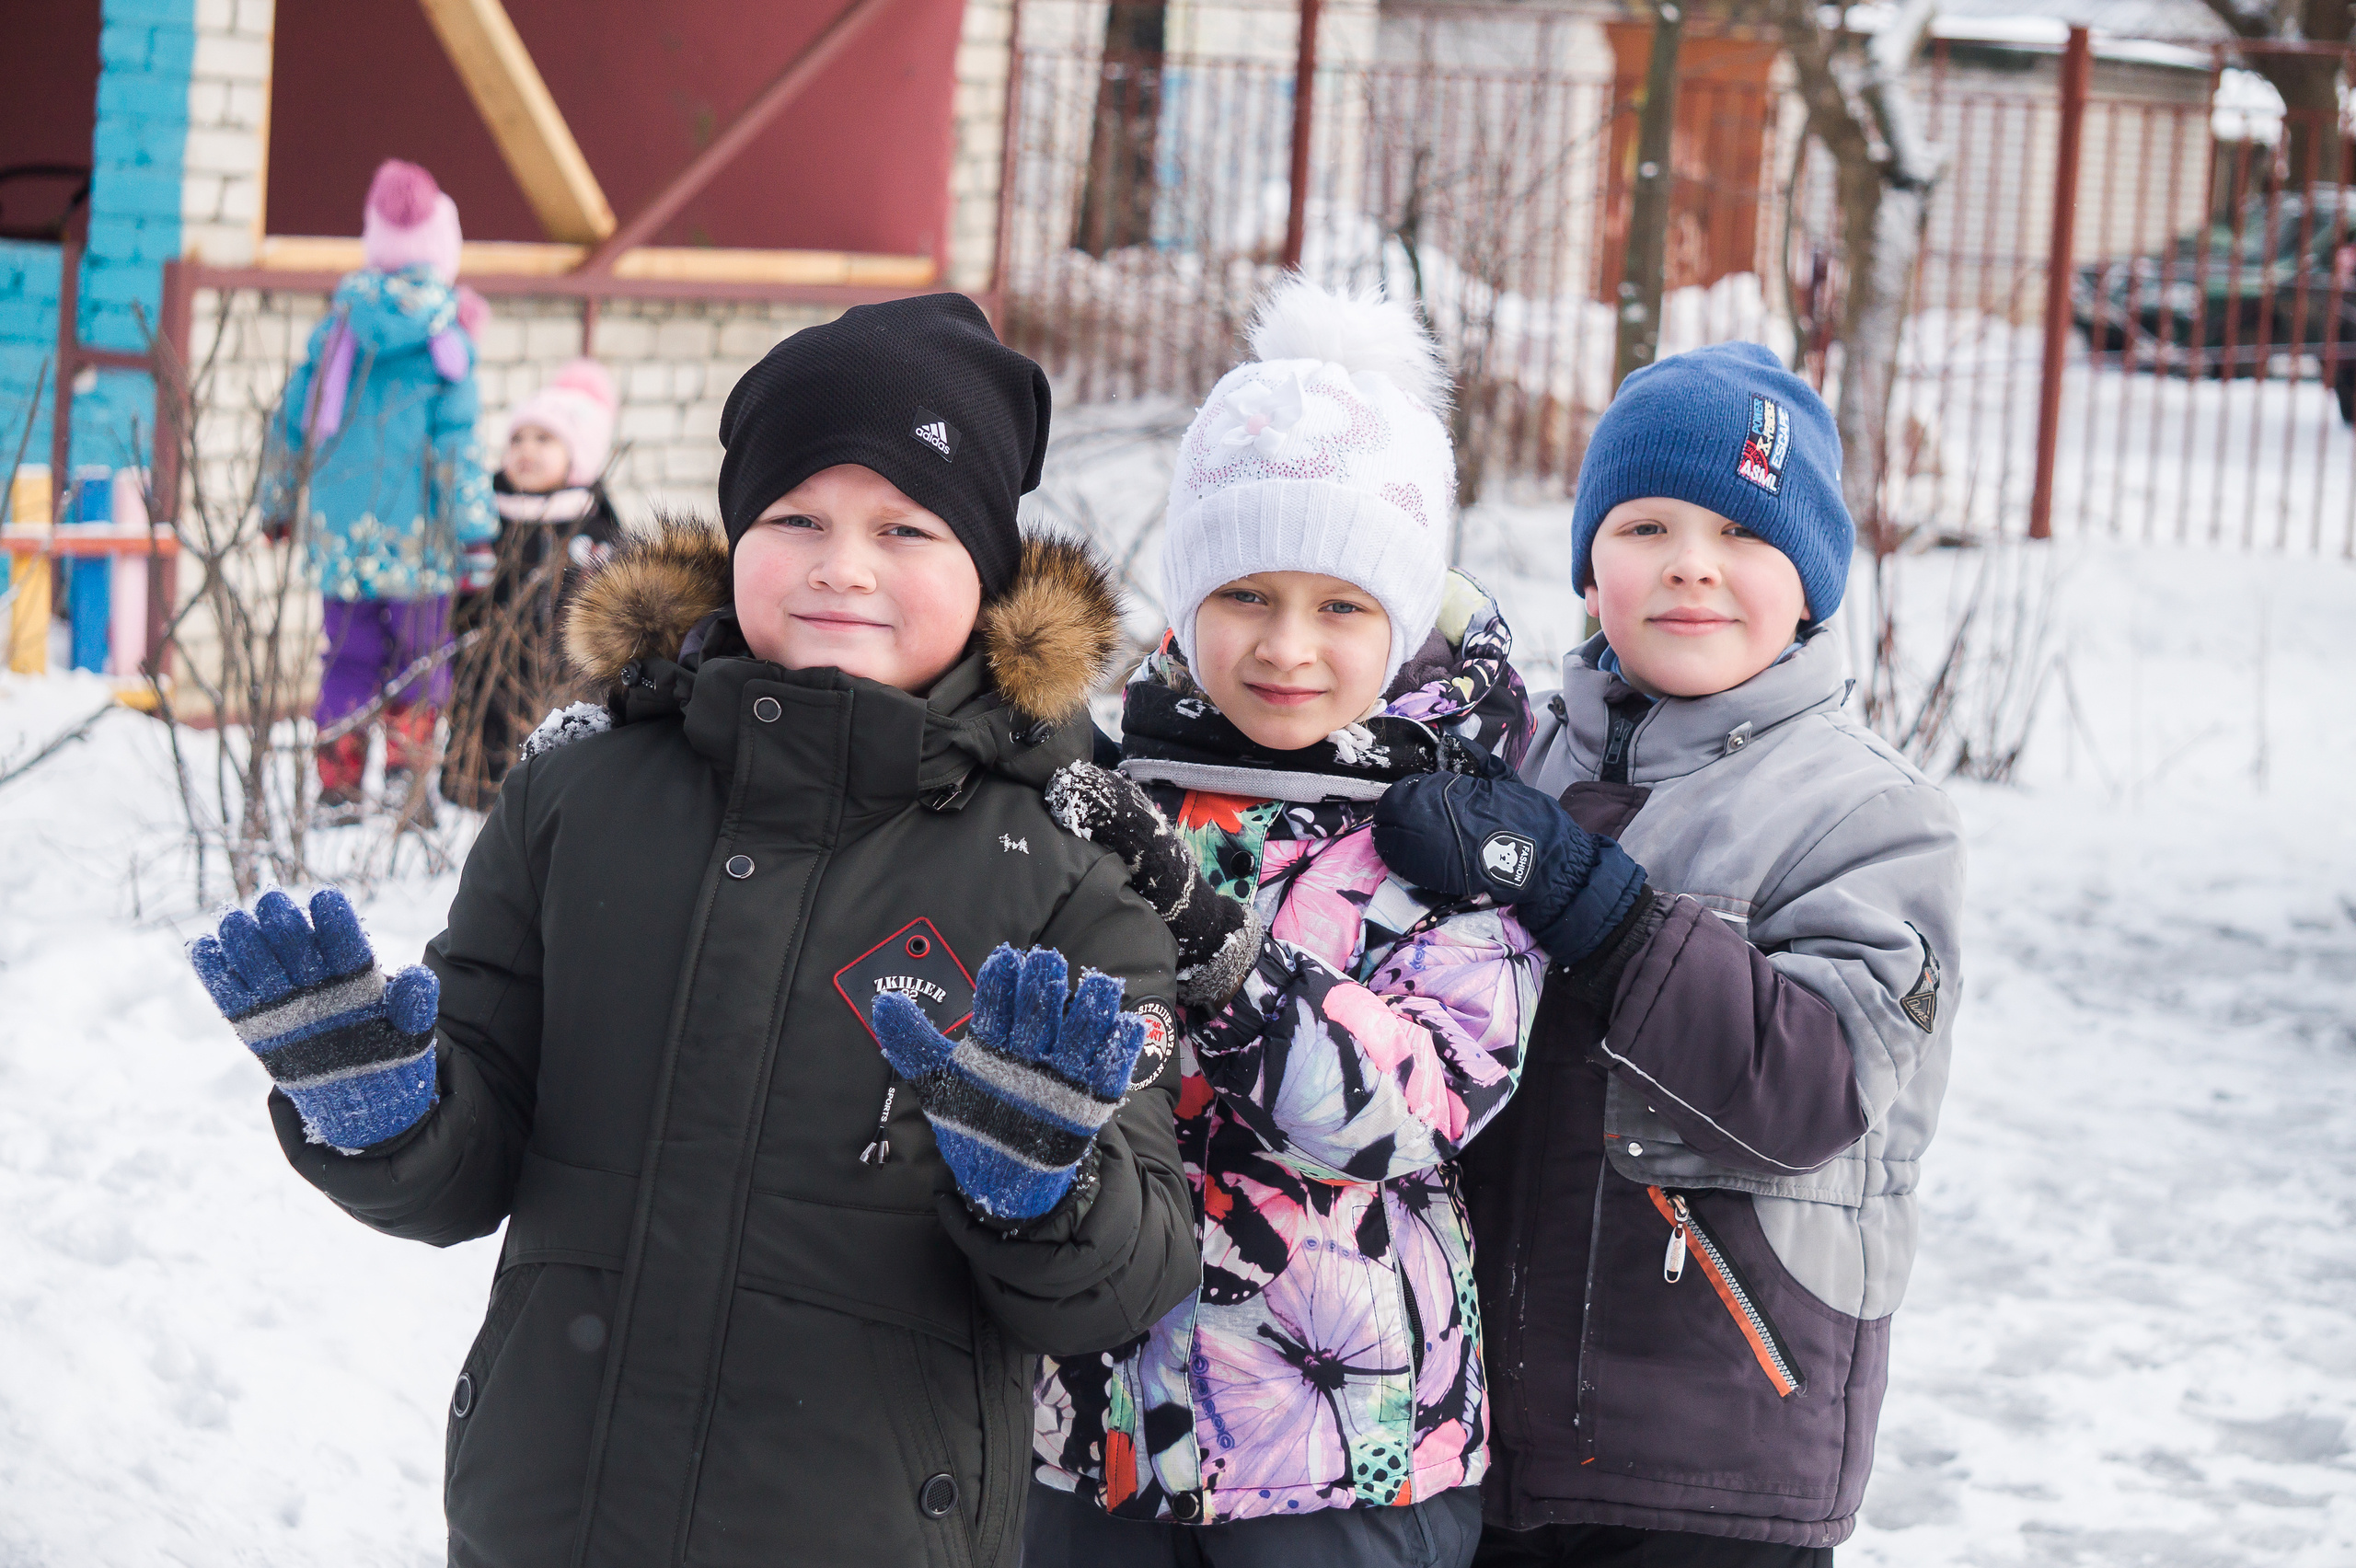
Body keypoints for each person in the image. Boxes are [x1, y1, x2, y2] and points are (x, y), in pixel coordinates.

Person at [184, 294, 1202, 1566]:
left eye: (905, 526)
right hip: (549, 1519)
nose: (844, 564)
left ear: (991, 575)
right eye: (796, 519)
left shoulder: (1065, 867)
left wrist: (1040, 1190)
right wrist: (389, 1112)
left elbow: (1135, 1271)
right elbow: (473, 1152)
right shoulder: (581, 794)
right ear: (732, 541)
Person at [1372, 342, 1967, 1564]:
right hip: (1471, 1433)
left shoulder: (1869, 816)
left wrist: (1591, 899)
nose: (1693, 562)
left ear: (1810, 585)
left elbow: (1815, 1085)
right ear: (1592, 573)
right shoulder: (1525, 762)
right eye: (1645, 524)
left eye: (1744, 535)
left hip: (1715, 1461)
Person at [1028, 280, 1544, 1568]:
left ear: (1406, 612)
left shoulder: (1460, 830)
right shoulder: (1108, 787)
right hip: (1091, 1434)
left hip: (1345, 1453)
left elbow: (1406, 1110)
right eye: (1247, 594)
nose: (1288, 648)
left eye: (1343, 606)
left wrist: (1221, 951)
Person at [271, 158, 495, 820]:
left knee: (345, 658)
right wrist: (474, 531)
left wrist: (278, 504)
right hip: (419, 540)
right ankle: (406, 776)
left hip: (341, 537)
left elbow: (291, 422)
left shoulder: (339, 328)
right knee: (422, 657)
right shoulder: (445, 345)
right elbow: (458, 446)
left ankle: (337, 785)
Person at [444, 357, 625, 810]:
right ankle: (472, 805)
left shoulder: (592, 522)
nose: (526, 449)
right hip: (490, 666)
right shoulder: (487, 516)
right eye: (517, 438)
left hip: (562, 675)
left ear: (577, 456)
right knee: (484, 755)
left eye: (545, 439)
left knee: (557, 769)